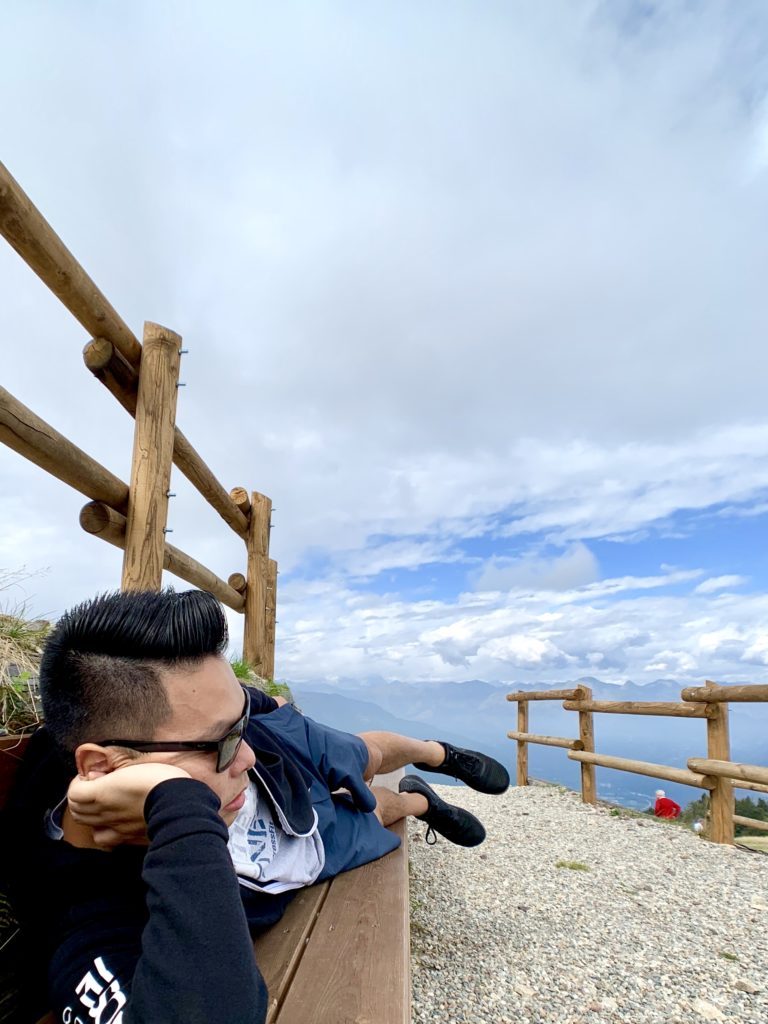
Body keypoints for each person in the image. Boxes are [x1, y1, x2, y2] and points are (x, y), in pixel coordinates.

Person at [3, 588, 509, 1024]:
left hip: (281, 764)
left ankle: (438, 753)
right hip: (289, 845)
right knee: (372, 814)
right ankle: (421, 802)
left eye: (238, 728)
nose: (246, 754)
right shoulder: (82, 913)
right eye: (220, 744)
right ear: (101, 768)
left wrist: (254, 712)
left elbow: (229, 715)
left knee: (364, 754)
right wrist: (178, 805)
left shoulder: (175, 724)